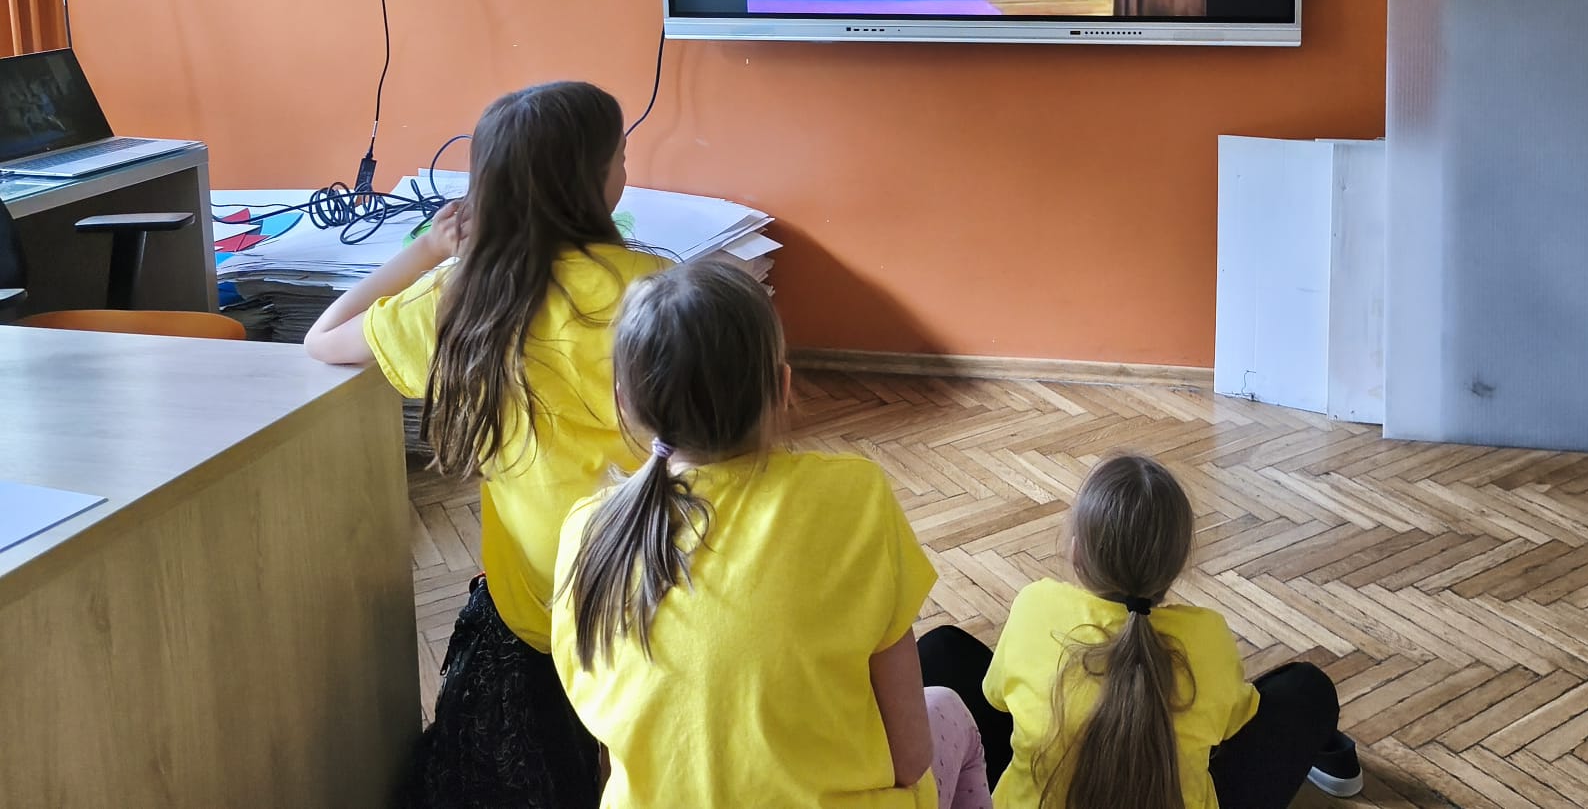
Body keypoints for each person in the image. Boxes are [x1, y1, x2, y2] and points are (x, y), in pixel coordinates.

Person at [304, 81, 668, 809]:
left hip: (537, 600)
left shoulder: (460, 296)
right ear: (596, 181)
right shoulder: (655, 290)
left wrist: (428, 251)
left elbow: (323, 338)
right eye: (622, 157)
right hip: (658, 582)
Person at [552, 258, 990, 808]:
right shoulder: (853, 496)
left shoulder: (587, 534)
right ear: (782, 386)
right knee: (949, 702)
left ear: (623, 400)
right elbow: (910, 757)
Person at [917, 454, 1362, 809]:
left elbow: (996, 698)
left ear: (1076, 553)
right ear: (1177, 566)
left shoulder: (1036, 605)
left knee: (940, 650)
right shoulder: (1209, 637)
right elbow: (1231, 726)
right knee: (1307, 689)